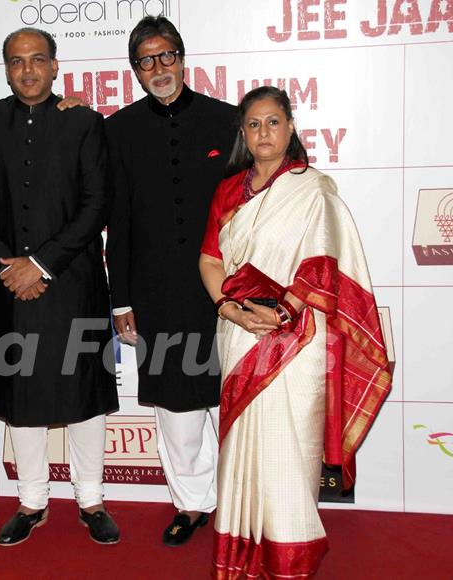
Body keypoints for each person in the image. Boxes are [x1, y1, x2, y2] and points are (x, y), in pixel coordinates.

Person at [199, 86, 392, 578]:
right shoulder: (228, 190)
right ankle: (241, 552)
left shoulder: (313, 188)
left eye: (273, 122)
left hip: (297, 337)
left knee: (289, 446)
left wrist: (284, 312)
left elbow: (326, 265)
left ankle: (289, 556)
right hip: (240, 330)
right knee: (243, 444)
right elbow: (210, 260)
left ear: (290, 127)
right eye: (254, 124)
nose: (264, 132)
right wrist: (230, 308)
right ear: (243, 133)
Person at [0, 27, 119, 546]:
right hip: (10, 288)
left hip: (73, 283)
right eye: (16, 61)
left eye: (37, 60)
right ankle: (31, 501)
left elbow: (97, 204)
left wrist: (42, 264)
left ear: (54, 65)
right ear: (5, 69)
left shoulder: (85, 123)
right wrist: (11, 267)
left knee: (85, 395)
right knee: (21, 394)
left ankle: (91, 498)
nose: (27, 70)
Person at [105, 16, 237, 546]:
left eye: (166, 56)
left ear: (182, 58)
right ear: (135, 70)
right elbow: (119, 220)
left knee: (231, 406)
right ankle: (190, 503)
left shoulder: (228, 122)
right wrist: (121, 301)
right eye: (145, 61)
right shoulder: (118, 130)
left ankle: (239, 503)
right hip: (155, 293)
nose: (158, 68)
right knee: (177, 413)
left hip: (224, 293)